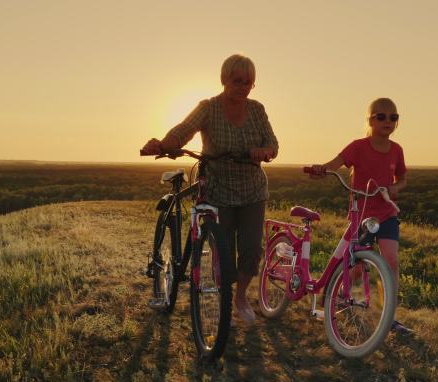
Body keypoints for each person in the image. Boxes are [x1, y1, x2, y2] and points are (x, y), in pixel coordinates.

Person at [141, 54, 278, 324]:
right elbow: (183, 131)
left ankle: (240, 297)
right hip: (218, 187)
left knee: (251, 249)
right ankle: (225, 296)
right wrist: (163, 144)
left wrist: (264, 151)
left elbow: (273, 144)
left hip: (252, 189)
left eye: (249, 82)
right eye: (237, 81)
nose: (243, 86)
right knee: (222, 251)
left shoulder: (257, 110)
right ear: (224, 80)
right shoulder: (209, 108)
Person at [311, 97, 411, 334]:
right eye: (381, 116)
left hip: (386, 214)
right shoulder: (358, 146)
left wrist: (395, 189)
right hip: (362, 214)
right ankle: (337, 299)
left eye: (393, 117)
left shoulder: (396, 150)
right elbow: (337, 162)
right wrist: (322, 170)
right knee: (354, 267)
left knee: (391, 261)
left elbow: (403, 179)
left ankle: (389, 317)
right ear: (370, 120)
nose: (388, 121)